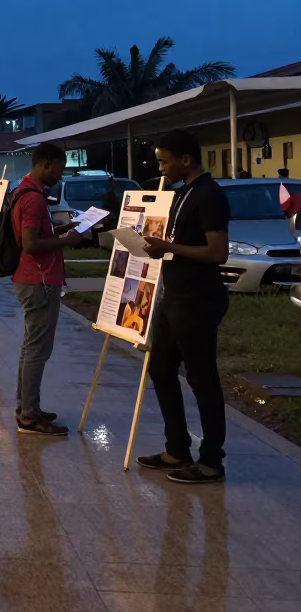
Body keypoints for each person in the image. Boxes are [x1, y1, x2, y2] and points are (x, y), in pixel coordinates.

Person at [138, 129, 231, 483]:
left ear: (186, 160)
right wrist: (157, 247)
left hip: (198, 299)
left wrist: (170, 248)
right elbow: (178, 240)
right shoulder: (181, 194)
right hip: (174, 296)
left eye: (165, 162)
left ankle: (211, 460)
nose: (161, 168)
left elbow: (217, 252)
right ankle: (177, 448)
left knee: (202, 379)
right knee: (160, 368)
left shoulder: (209, 195)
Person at [11, 143, 87, 435]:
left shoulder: (25, 191)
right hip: (38, 280)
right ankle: (29, 415)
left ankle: (27, 406)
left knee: (31, 347)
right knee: (37, 349)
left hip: (31, 278)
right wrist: (67, 242)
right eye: (59, 168)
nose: (60, 174)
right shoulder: (33, 198)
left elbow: (36, 235)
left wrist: (64, 230)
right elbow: (31, 244)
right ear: (46, 163)